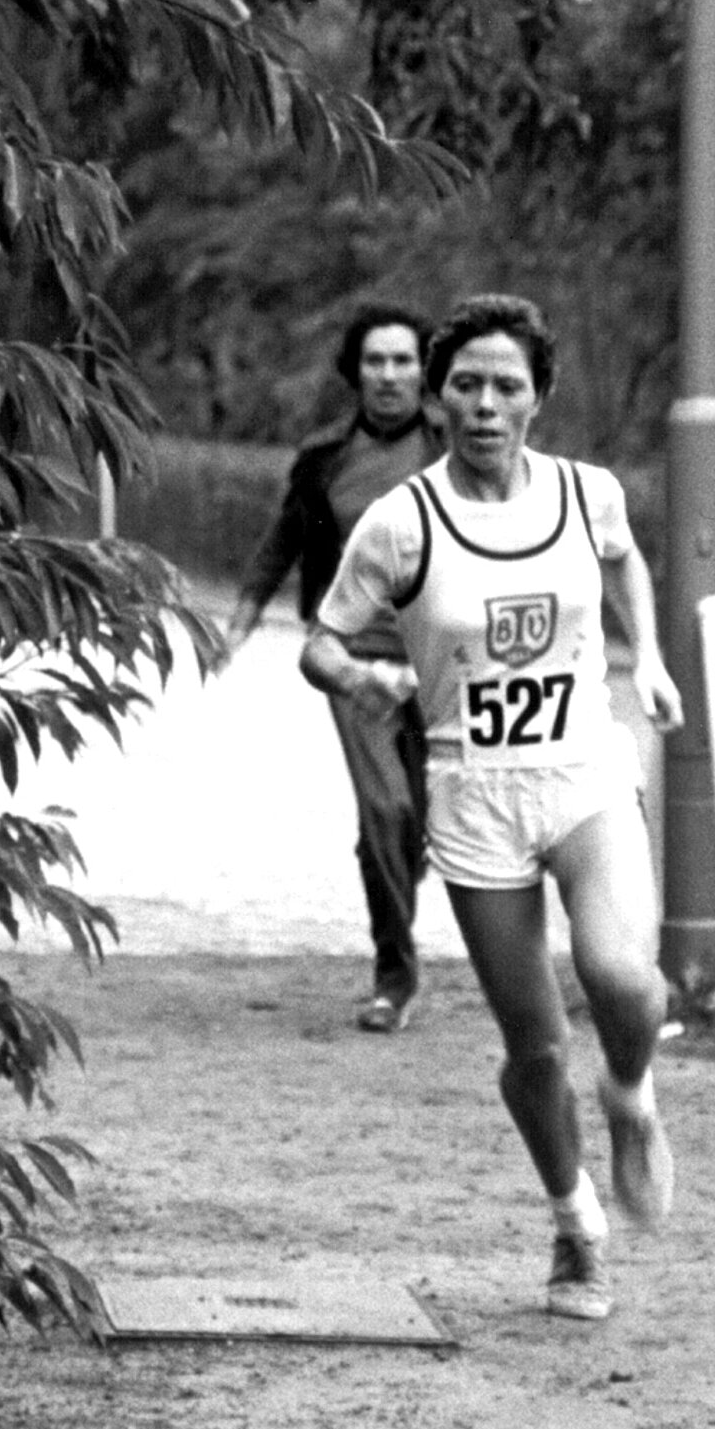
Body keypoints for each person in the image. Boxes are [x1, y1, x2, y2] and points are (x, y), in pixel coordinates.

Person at [300, 294, 684, 1322]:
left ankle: (632, 1097)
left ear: (538, 399)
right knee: (537, 1045)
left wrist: (642, 656)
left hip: (581, 774)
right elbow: (321, 639)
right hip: (475, 798)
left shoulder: (585, 492)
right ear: (435, 400)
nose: (484, 403)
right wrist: (361, 679)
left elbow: (622, 557)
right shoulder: (400, 522)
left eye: (507, 384)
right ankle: (575, 1230)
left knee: (625, 982)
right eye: (464, 384)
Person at [221, 305, 444, 1031]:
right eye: (375, 362)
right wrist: (241, 622)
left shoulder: (455, 448)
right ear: (356, 372)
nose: (389, 375)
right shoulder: (326, 458)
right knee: (386, 811)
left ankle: (393, 861)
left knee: (423, 822)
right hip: (354, 659)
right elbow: (282, 540)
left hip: (445, 661)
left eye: (403, 361)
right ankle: (395, 977)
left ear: (424, 370)